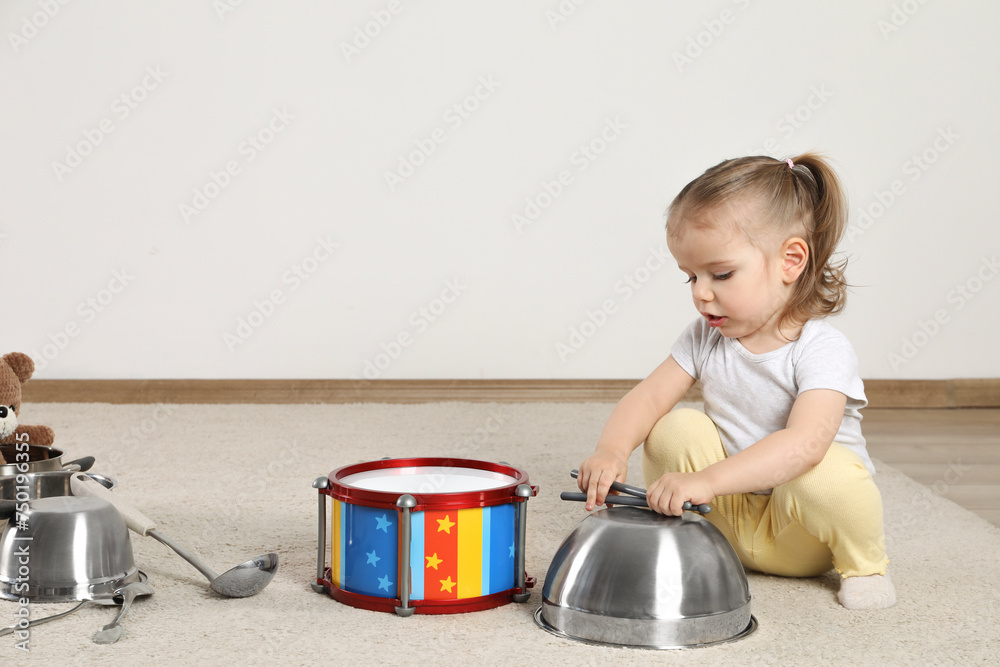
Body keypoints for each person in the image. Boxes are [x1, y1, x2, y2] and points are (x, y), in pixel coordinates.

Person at [576, 153, 896, 610]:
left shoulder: (822, 349)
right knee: (674, 427)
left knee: (827, 475)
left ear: (791, 260)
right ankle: (693, 533)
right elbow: (648, 398)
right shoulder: (706, 336)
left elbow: (803, 445)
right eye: (691, 276)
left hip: (798, 531)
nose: (700, 292)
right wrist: (610, 450)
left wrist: (707, 479)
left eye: (720, 274)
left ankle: (864, 566)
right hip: (721, 514)